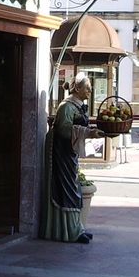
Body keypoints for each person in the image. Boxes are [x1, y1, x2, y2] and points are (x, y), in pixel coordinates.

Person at [41, 73, 104, 244]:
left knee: (72, 188)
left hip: (69, 153)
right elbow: (64, 130)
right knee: (67, 189)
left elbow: (78, 127)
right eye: (87, 87)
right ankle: (67, 230)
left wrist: (92, 131)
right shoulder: (66, 106)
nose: (90, 91)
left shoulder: (77, 105)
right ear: (77, 88)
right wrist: (88, 132)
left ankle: (76, 228)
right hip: (61, 153)